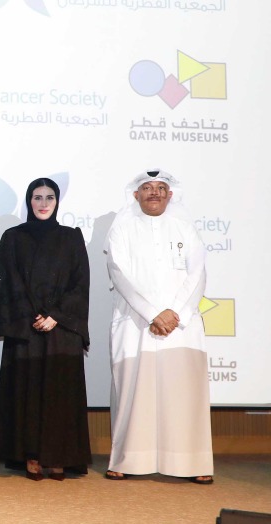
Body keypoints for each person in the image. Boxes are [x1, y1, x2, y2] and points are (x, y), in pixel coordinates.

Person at [104, 169, 212, 484]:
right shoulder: (122, 230)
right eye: (148, 188)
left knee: (184, 396)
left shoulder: (185, 229)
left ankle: (191, 462)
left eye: (161, 188)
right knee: (134, 394)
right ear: (136, 195)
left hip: (181, 327)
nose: (154, 193)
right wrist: (153, 314)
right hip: (136, 324)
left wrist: (175, 313)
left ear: (170, 195)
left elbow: (198, 274)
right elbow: (120, 274)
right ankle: (127, 459)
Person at [0, 178, 91, 481]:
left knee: (60, 393)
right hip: (27, 328)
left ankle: (59, 456)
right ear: (28, 201)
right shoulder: (13, 237)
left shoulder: (71, 237)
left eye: (49, 197)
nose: (43, 204)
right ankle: (31, 455)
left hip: (62, 330)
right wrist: (34, 315)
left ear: (57, 202)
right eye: (37, 197)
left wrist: (55, 315)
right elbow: (7, 282)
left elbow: (80, 283)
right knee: (28, 393)